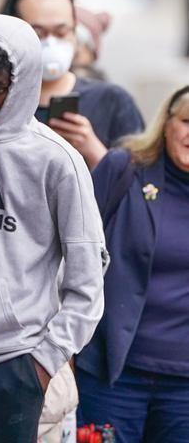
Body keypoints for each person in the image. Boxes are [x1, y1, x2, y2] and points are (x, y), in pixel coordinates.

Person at [0, 14, 105, 443]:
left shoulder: (57, 160)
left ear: (25, 81)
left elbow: (88, 277)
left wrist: (44, 363)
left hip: (15, 362)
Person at [76, 86, 189, 443]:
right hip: (112, 372)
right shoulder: (123, 168)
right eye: (187, 121)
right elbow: (74, 251)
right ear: (167, 123)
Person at [7, 0, 144, 169]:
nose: (51, 43)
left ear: (74, 32)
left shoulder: (113, 100)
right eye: (38, 33)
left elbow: (141, 187)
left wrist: (94, 150)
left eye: (61, 32)